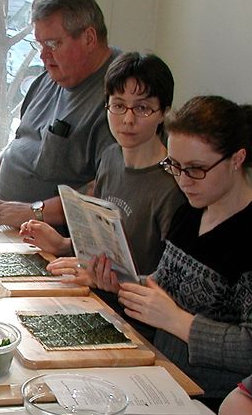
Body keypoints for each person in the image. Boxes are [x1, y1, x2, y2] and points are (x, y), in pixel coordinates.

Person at [115, 95, 252, 408]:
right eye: (174, 166)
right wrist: (119, 280)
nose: (184, 180)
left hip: (219, 404)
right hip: (163, 379)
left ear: (237, 159)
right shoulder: (191, 210)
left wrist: (177, 322)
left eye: (196, 169)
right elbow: (163, 287)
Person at [0, 0, 118, 228]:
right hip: (7, 219)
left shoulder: (120, 96)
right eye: (40, 45)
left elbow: (105, 190)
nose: (44, 56)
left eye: (53, 44)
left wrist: (34, 212)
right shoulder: (52, 76)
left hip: (50, 238)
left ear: (89, 38)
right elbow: (24, 140)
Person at [18, 51, 186, 279]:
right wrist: (63, 245)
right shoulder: (110, 158)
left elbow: (170, 283)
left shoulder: (173, 183)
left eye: (142, 108)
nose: (128, 120)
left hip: (130, 309)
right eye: (118, 105)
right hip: (93, 292)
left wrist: (117, 283)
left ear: (163, 113)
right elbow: (104, 249)